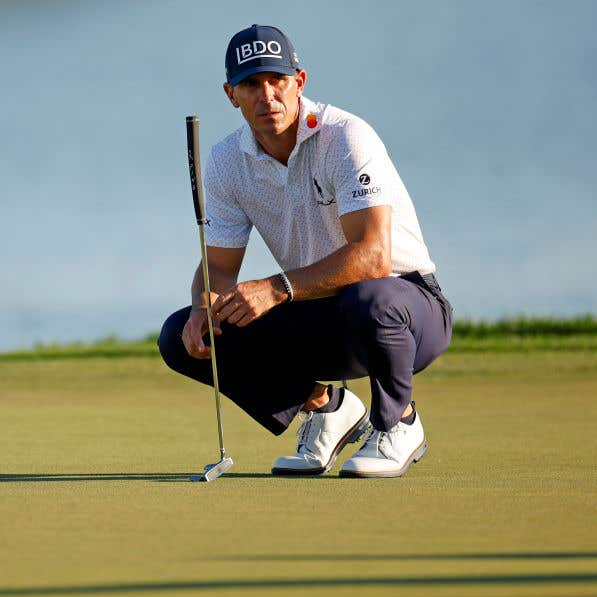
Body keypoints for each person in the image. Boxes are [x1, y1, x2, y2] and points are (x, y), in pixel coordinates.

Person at [158, 24, 452, 478]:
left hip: (408, 309)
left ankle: (398, 421)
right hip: (317, 311)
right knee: (181, 335)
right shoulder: (226, 161)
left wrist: (276, 288)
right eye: (251, 84)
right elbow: (218, 267)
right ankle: (326, 407)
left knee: (370, 297)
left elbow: (374, 257)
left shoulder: (345, 136)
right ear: (230, 93)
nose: (267, 95)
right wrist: (204, 305)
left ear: (300, 81)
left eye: (277, 80)